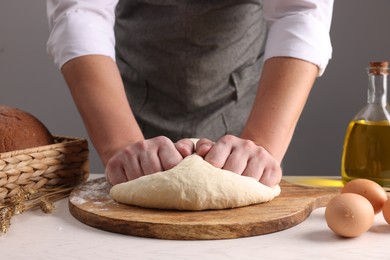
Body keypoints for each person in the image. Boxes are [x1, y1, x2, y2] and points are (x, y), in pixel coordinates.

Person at [46, 0, 334, 187]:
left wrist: (262, 145)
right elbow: (81, 13)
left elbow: (299, 11)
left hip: (242, 100)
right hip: (132, 96)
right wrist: (119, 144)